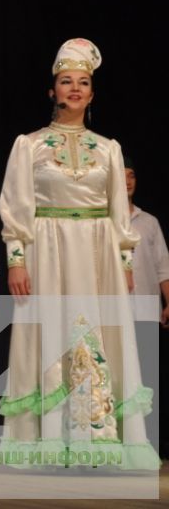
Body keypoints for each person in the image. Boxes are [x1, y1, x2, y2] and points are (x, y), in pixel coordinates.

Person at [0, 38, 159, 468]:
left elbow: (119, 213)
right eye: (66, 81)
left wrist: (123, 263)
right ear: (52, 91)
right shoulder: (29, 145)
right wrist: (17, 259)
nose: (74, 88)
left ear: (91, 93)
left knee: (97, 332)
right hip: (46, 248)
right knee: (49, 331)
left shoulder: (108, 148)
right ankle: (48, 440)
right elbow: (16, 207)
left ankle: (98, 437)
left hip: (97, 251)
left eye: (82, 82)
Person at [123, 157, 169, 459]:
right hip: (114, 314)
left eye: (132, 175)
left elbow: (162, 266)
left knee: (149, 379)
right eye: (122, 176)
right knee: (118, 378)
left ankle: (150, 442)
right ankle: (120, 442)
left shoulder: (149, 221)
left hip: (146, 309)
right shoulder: (101, 220)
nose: (127, 181)